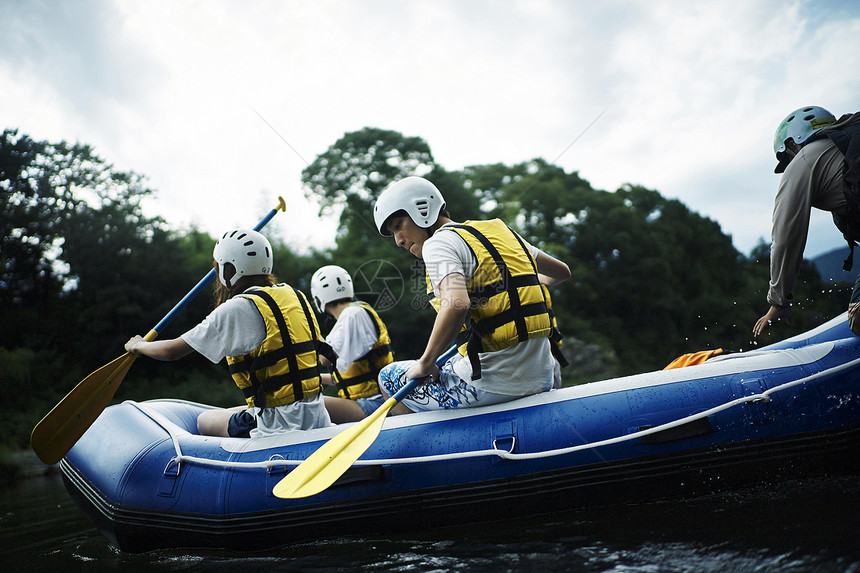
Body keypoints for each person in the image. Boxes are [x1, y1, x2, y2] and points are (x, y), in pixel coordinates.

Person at [371, 176, 571, 414]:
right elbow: (561, 272)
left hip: (496, 383)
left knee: (388, 377)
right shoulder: (499, 230)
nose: (399, 241)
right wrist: (515, 283)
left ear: (421, 209)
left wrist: (426, 364)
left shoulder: (437, 243)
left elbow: (456, 305)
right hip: (544, 374)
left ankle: (431, 449)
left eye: (398, 226)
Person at [124, 228, 337, 438]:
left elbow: (171, 351)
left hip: (276, 426)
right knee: (233, 411)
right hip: (317, 415)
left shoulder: (236, 308)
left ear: (229, 270)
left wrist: (138, 345)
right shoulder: (295, 296)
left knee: (204, 421)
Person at [753, 106, 860, 337]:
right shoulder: (846, 145)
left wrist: (778, 301)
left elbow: (784, 238)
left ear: (793, 144)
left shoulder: (803, 160)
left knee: (858, 318)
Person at [309, 264, 395, 422]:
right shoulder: (356, 313)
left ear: (319, 298)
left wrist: (308, 324)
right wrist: (312, 378)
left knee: (304, 404)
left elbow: (325, 358)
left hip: (375, 403)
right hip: (373, 400)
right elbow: (346, 376)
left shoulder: (352, 315)